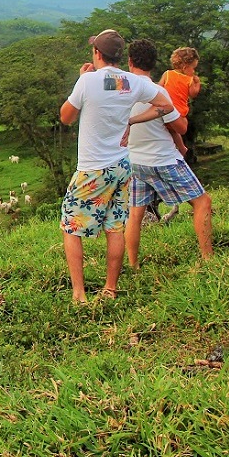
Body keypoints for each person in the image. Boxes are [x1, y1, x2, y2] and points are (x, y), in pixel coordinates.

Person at [59, 29, 174, 302]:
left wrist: (81, 79)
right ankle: (109, 289)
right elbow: (165, 105)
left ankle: (79, 293)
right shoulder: (131, 82)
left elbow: (66, 117)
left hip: (92, 168)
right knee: (115, 227)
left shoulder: (88, 81)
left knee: (70, 227)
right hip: (122, 165)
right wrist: (132, 121)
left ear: (97, 53)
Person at [123, 39, 214, 266]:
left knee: (135, 214)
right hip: (163, 158)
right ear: (154, 63)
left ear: (130, 61)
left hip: (135, 160)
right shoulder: (157, 91)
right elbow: (181, 127)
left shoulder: (120, 90)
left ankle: (133, 265)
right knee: (202, 203)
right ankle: (208, 257)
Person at [158, 46, 201, 158]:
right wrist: (197, 84)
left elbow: (158, 88)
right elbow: (193, 94)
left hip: (165, 110)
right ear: (185, 67)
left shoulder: (167, 74)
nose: (193, 71)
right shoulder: (189, 79)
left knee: (170, 130)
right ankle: (182, 148)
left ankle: (180, 147)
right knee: (175, 131)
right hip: (179, 112)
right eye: (193, 68)